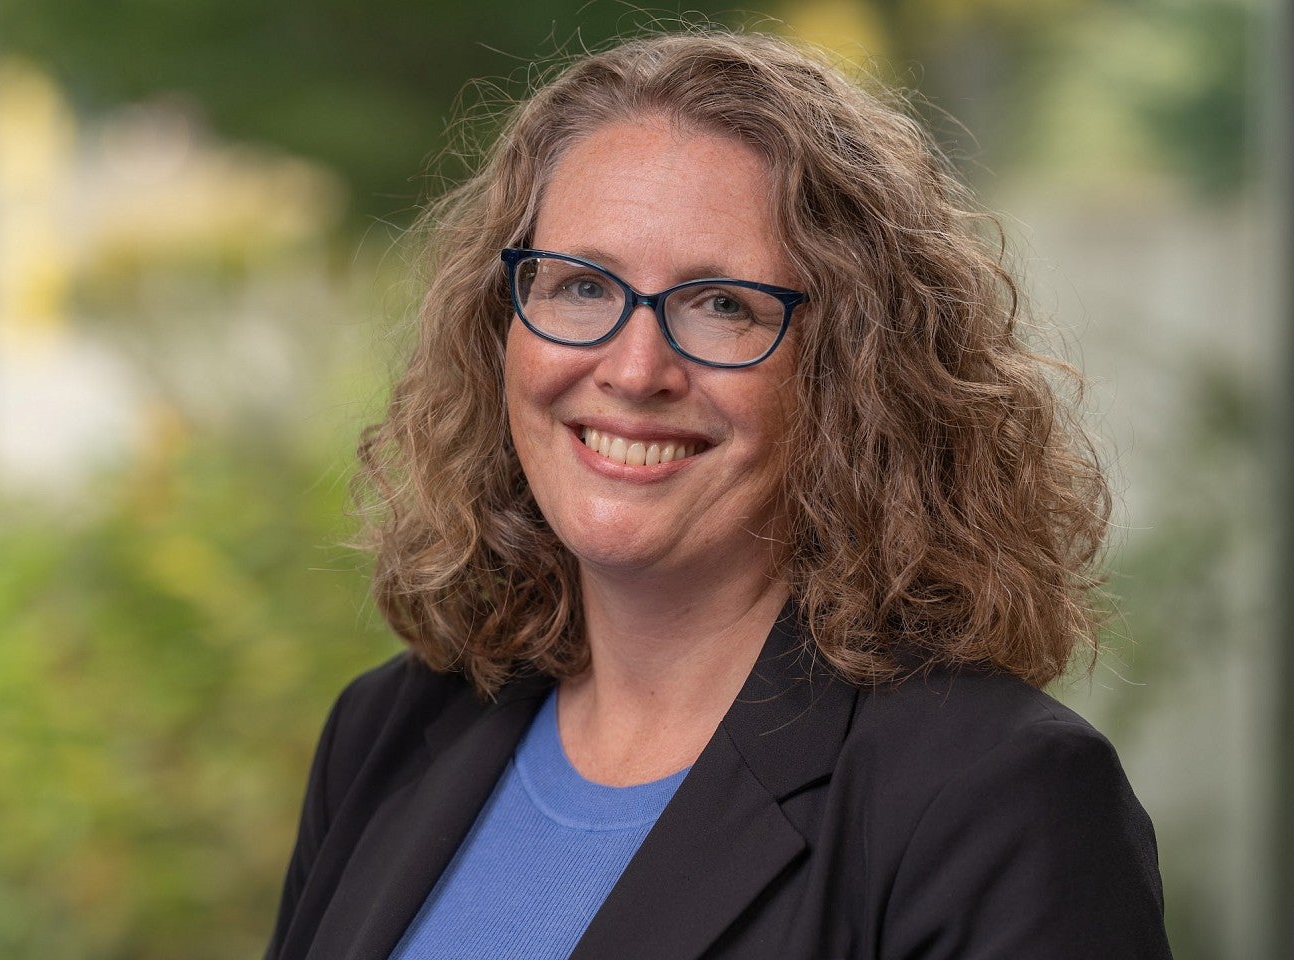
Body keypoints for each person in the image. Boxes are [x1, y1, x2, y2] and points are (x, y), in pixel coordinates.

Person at [264, 30, 1172, 960]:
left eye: (722, 304)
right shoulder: (391, 732)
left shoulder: (997, 801)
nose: (634, 367)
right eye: (582, 285)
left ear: (854, 370)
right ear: (501, 327)